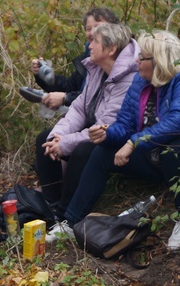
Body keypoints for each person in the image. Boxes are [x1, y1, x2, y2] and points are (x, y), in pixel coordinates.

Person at [48, 30, 180, 250]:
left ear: (159, 61)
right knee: (102, 151)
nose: (136, 60)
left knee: (175, 145)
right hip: (155, 160)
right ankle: (71, 223)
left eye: (143, 57)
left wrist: (133, 143)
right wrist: (107, 133)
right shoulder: (140, 82)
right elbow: (126, 125)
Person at [35, 21, 139, 232]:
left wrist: (66, 143)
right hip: (93, 132)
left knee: (84, 150)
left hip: (117, 140)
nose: (89, 45)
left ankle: (65, 214)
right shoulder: (97, 69)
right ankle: (50, 206)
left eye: (95, 42)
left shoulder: (128, 79)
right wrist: (58, 136)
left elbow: (106, 125)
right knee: (44, 139)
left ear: (110, 49)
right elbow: (79, 109)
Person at [20, 8, 121, 112]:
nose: (92, 33)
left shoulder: (119, 63)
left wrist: (66, 98)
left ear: (113, 29)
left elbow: (97, 99)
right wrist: (45, 77)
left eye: (97, 26)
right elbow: (70, 86)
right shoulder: (89, 57)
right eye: (88, 28)